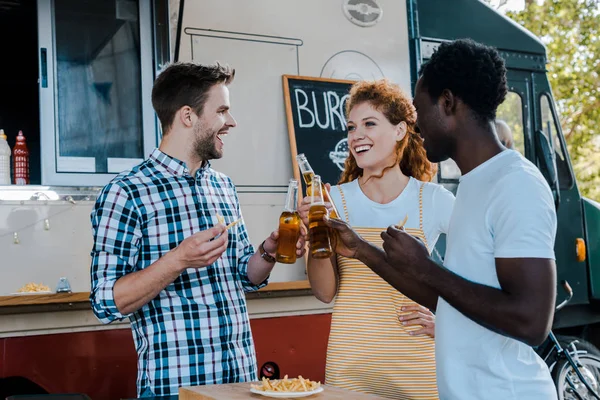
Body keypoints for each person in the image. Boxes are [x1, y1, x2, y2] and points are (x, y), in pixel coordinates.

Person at [325, 39, 558, 400]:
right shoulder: (473, 185)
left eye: (419, 110)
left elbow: (531, 322)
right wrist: (361, 250)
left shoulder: (516, 183)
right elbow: (452, 298)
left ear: (448, 103)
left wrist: (426, 267)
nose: (415, 127)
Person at [89, 62, 306, 397]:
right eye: (221, 111)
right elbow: (106, 301)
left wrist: (268, 251)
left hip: (240, 384)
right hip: (175, 389)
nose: (231, 122)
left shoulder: (224, 187)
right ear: (187, 116)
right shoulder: (126, 192)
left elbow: (243, 277)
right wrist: (178, 259)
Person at [299, 79, 454, 399]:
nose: (356, 136)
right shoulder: (331, 200)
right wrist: (318, 233)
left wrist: (449, 323)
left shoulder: (434, 199)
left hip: (419, 365)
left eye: (370, 123)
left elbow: (479, 274)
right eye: (351, 127)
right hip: (351, 364)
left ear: (400, 131)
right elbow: (324, 292)